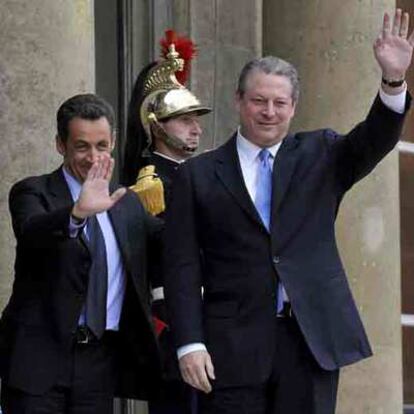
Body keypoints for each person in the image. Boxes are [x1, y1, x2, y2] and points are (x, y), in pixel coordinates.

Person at [163, 9, 414, 414]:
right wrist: (189, 343)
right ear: (238, 101)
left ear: (294, 107)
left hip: (309, 343)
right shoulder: (198, 174)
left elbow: (375, 139)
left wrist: (393, 81)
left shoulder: (322, 154)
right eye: (259, 100)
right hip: (232, 347)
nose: (269, 111)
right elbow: (181, 266)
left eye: (280, 103)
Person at [0, 93, 162, 413]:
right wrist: (76, 214)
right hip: (39, 363)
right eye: (81, 146)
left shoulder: (126, 203)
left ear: (113, 142)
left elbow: (168, 247)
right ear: (60, 145)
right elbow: (33, 234)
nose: (92, 157)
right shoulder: (33, 191)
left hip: (99, 364)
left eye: (101, 146)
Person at [121, 31, 211, 414]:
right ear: (156, 125)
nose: (196, 128)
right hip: (173, 317)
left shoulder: (202, 174)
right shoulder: (150, 183)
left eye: (196, 120)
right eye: (184, 121)